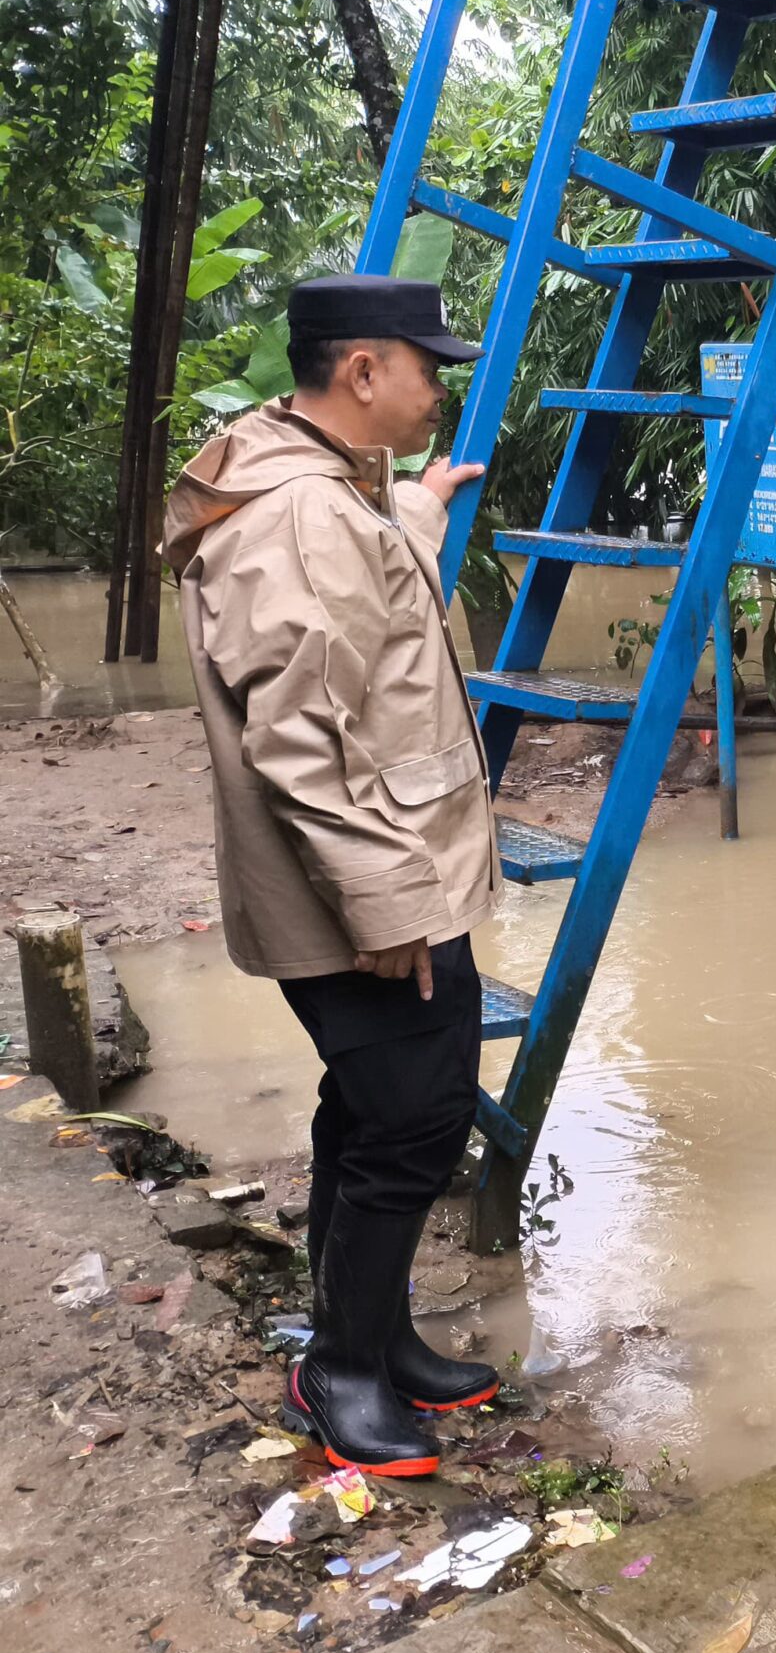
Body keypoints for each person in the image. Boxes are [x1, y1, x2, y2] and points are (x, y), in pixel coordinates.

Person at [164, 275, 506, 1477]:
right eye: (427, 366)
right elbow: (301, 735)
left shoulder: (316, 480)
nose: (439, 387)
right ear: (364, 371)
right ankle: (342, 1373)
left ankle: (376, 1337)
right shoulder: (303, 514)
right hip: (368, 886)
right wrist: (388, 902)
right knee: (414, 1120)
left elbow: (364, 604)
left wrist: (417, 506)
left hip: (377, 870)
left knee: (379, 1107)